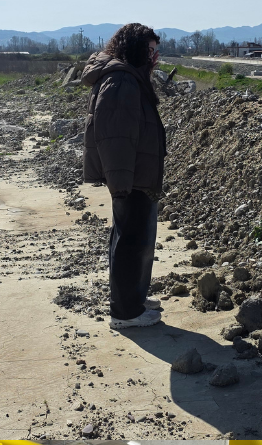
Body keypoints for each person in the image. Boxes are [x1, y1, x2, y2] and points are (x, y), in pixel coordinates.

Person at [81, 23, 166, 329]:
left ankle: (133, 299)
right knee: (132, 240)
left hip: (135, 174)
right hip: (130, 178)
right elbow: (114, 136)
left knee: (137, 238)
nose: (155, 58)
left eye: (157, 51)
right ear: (135, 49)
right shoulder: (121, 80)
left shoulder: (129, 77)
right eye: (151, 51)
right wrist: (121, 185)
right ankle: (126, 312)